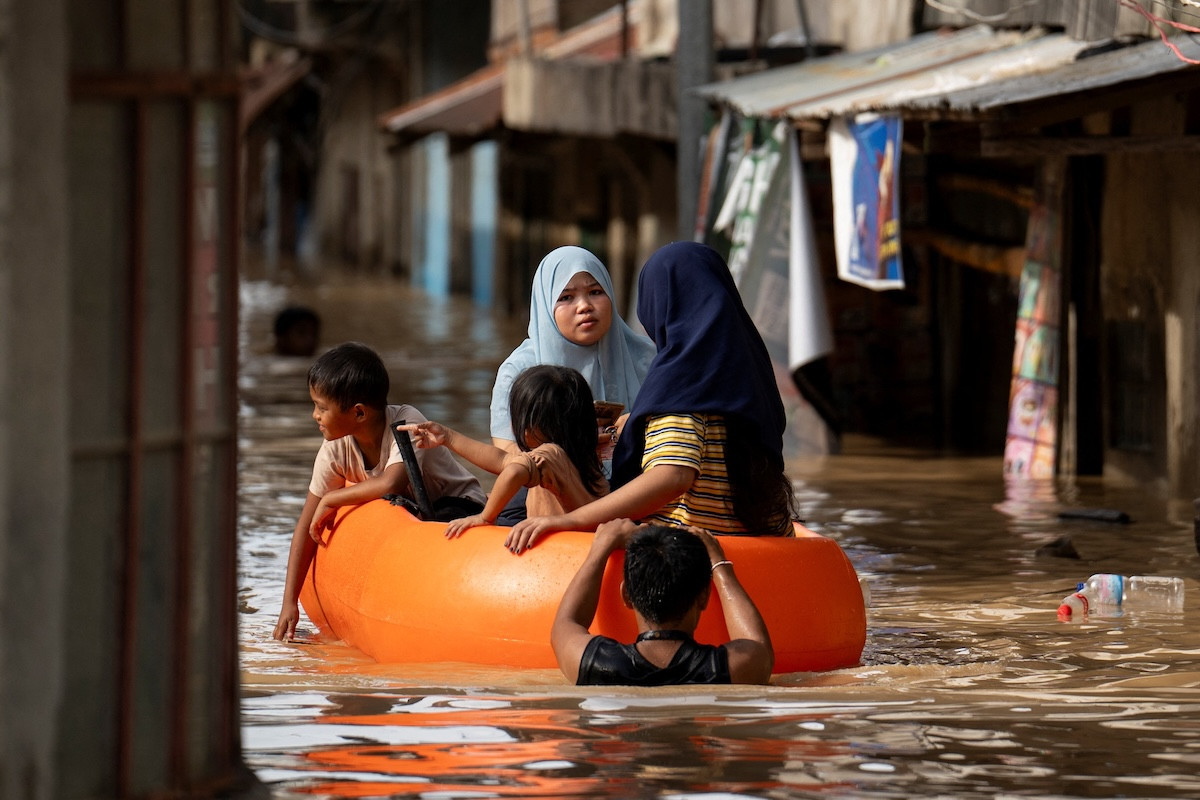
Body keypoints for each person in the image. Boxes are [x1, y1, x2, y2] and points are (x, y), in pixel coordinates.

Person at [504, 241, 798, 554]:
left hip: (687, 548)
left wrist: (572, 521)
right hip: (764, 540)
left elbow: (672, 475)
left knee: (548, 468)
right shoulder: (750, 370)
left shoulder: (683, 379)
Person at [273, 342, 486, 641]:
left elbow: (391, 483)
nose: (315, 416)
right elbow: (306, 526)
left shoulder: (406, 423)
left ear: (359, 413)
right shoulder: (335, 448)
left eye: (322, 407)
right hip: (412, 518)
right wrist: (288, 603)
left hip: (459, 508)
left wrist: (333, 498)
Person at [489, 246, 656, 523]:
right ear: (545, 303)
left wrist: (631, 432)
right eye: (566, 297)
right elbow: (506, 454)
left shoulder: (647, 359)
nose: (584, 306)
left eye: (595, 292)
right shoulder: (519, 371)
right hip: (545, 490)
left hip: (633, 485)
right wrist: (575, 448)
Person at [551, 518, 774, 685]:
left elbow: (565, 624)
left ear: (626, 596)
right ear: (703, 597)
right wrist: (719, 563)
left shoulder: (598, 664)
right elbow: (756, 644)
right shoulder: (724, 669)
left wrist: (600, 548)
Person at [399, 365, 608, 537]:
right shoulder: (582, 453)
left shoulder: (550, 454)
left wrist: (485, 517)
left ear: (529, 428)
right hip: (585, 541)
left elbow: (514, 471)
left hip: (563, 553)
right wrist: (448, 437)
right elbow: (503, 460)